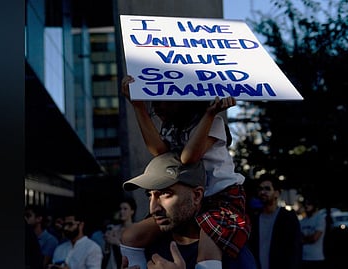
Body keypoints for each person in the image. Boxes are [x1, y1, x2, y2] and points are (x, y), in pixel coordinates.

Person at [120, 76, 250, 269]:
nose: (156, 107)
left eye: (163, 99)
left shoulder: (213, 123)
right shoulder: (173, 128)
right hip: (189, 198)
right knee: (131, 236)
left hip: (221, 196)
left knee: (209, 239)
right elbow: (159, 152)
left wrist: (210, 114)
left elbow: (189, 158)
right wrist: (137, 106)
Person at [120, 151, 258, 269]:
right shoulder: (149, 247)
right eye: (150, 195)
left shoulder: (231, 254)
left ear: (197, 196)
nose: (153, 208)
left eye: (165, 193)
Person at [248, 175, 302, 269]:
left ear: (277, 193)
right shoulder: (254, 219)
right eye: (260, 189)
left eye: (267, 189)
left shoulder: (288, 218)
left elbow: (295, 249)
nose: (262, 192)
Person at [300, 195, 326, 269]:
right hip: (304, 259)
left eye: (309, 204)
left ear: (314, 205)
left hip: (316, 259)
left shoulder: (320, 219)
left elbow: (315, 238)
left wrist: (304, 239)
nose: (306, 206)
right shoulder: (302, 221)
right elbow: (298, 238)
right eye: (305, 204)